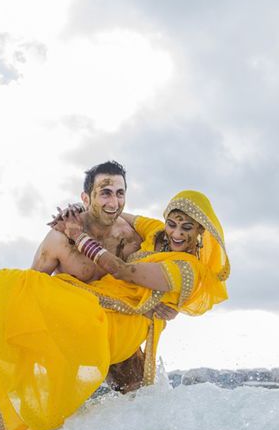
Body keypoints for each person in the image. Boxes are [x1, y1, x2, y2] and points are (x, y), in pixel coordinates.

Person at [0, 190, 229, 430]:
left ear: (202, 233)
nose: (177, 232)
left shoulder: (188, 270)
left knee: (21, 288)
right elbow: (120, 216)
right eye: (173, 223)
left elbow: (125, 272)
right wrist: (80, 211)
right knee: (18, 286)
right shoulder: (158, 233)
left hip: (117, 323)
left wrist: (77, 236)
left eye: (187, 228)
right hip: (93, 299)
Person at [31, 160, 176, 392]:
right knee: (66, 418)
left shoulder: (132, 240)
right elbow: (31, 287)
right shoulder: (59, 239)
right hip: (71, 337)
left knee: (138, 399)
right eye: (105, 193)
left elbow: (147, 283)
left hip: (117, 337)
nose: (114, 202)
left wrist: (167, 304)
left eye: (120, 193)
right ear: (86, 198)